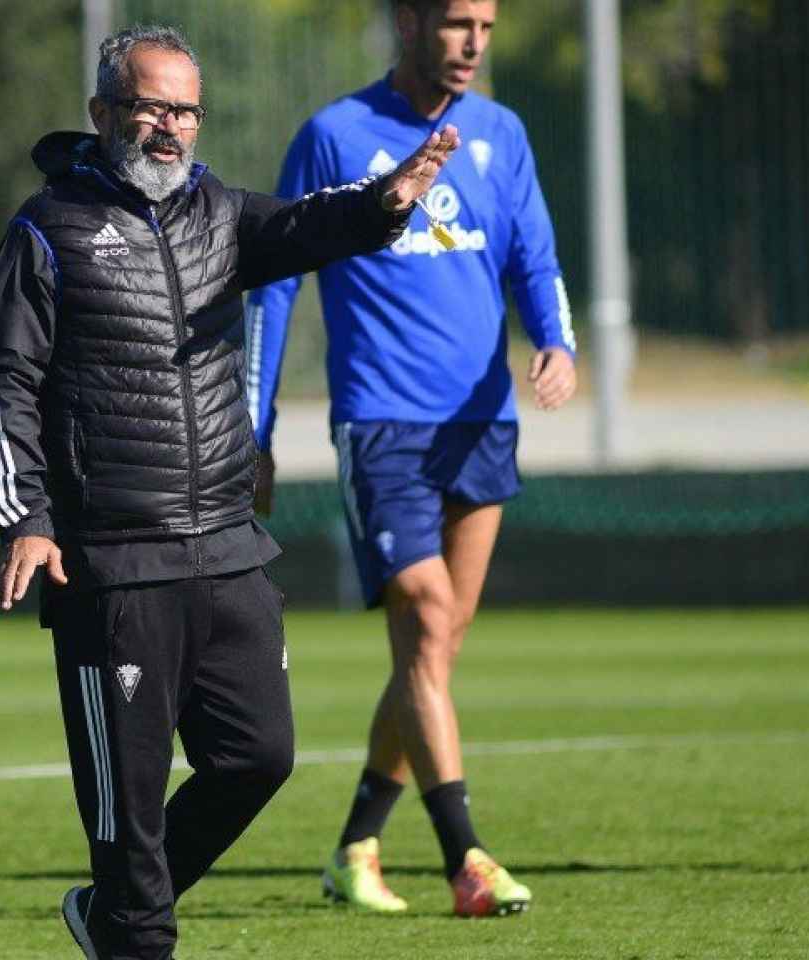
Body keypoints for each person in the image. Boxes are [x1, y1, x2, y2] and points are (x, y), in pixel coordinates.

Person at [0, 25, 460, 959]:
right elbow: (2, 385)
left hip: (230, 550)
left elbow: (311, 225)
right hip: (114, 565)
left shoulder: (219, 213)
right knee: (130, 820)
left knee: (258, 757)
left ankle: (114, 914)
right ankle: (131, 925)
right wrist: (23, 518)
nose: (171, 128)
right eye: (153, 106)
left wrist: (387, 201)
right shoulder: (47, 230)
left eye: (186, 110)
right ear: (102, 112)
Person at [246, 0, 575, 917]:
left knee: (435, 649)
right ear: (407, 20)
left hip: (481, 423)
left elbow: (534, 258)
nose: (473, 42)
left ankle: (355, 847)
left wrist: (557, 341)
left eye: (488, 27)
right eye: (456, 22)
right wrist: (254, 428)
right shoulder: (334, 136)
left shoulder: (502, 133)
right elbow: (272, 283)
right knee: (428, 623)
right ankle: (466, 859)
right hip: (381, 424)